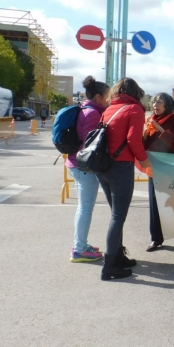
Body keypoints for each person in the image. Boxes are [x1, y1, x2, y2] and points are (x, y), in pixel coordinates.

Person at [97, 77, 151, 281]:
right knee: (118, 217)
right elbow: (132, 139)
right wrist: (144, 160)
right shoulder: (134, 110)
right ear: (136, 92)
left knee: (115, 215)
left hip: (103, 167)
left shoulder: (109, 109)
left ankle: (118, 256)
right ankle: (110, 265)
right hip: (120, 167)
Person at [66, 76, 109, 263]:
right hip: (84, 166)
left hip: (76, 164)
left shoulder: (86, 110)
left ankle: (80, 244)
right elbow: (89, 143)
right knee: (85, 208)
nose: (109, 100)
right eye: (107, 97)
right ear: (98, 97)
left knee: (83, 207)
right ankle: (80, 249)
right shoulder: (93, 114)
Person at [144, 93, 174, 253]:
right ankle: (156, 238)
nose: (155, 104)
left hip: (172, 168)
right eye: (154, 102)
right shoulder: (150, 120)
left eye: (160, 102)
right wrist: (143, 134)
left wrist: (160, 130)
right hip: (154, 168)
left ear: (167, 104)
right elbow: (146, 145)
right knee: (155, 206)